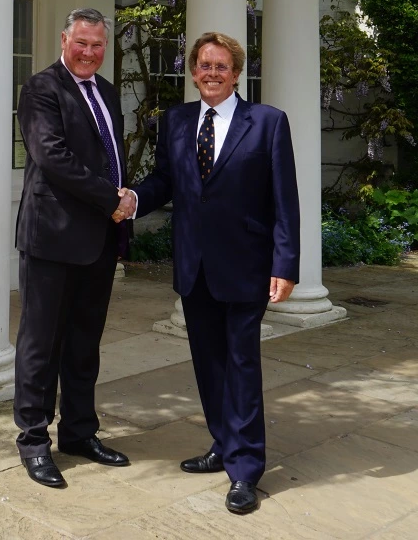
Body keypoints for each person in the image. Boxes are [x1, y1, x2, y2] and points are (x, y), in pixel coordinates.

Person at [129, 30, 300, 514]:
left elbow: (285, 200)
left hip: (247, 266)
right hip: (194, 266)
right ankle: (223, 445)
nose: (211, 74)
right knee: (209, 365)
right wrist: (134, 199)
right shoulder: (177, 121)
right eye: (204, 65)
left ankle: (245, 470)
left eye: (221, 66)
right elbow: (166, 180)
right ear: (193, 70)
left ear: (237, 73)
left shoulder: (267, 123)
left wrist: (285, 265)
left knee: (242, 364)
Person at [12, 8, 139, 488]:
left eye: (97, 45)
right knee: (41, 344)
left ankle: (80, 433)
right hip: (52, 236)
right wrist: (113, 198)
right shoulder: (42, 88)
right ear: (64, 39)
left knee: (85, 343)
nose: (89, 53)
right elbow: (52, 157)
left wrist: (124, 197)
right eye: (81, 43)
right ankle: (33, 441)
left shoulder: (105, 91)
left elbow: (109, 155)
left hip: (99, 240)